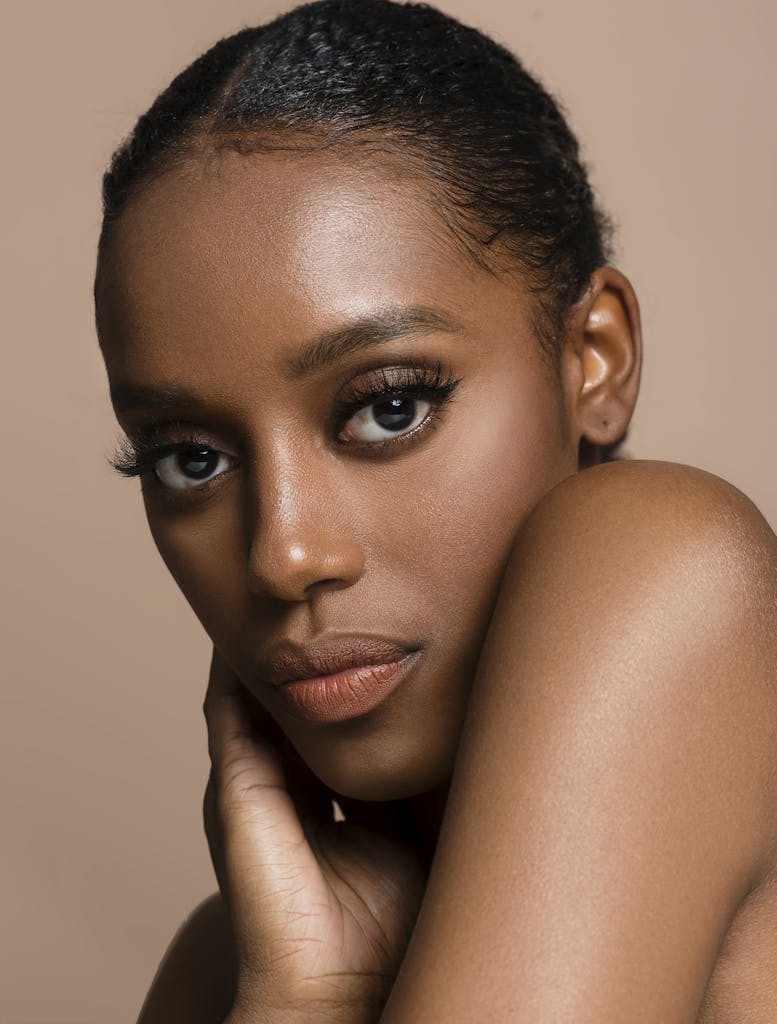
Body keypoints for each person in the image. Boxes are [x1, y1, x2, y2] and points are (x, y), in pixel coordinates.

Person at [93, 1, 777, 1020]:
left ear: (595, 357)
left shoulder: (661, 563)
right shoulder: (239, 959)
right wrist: (301, 994)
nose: (283, 554)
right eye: (191, 460)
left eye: (389, 405)